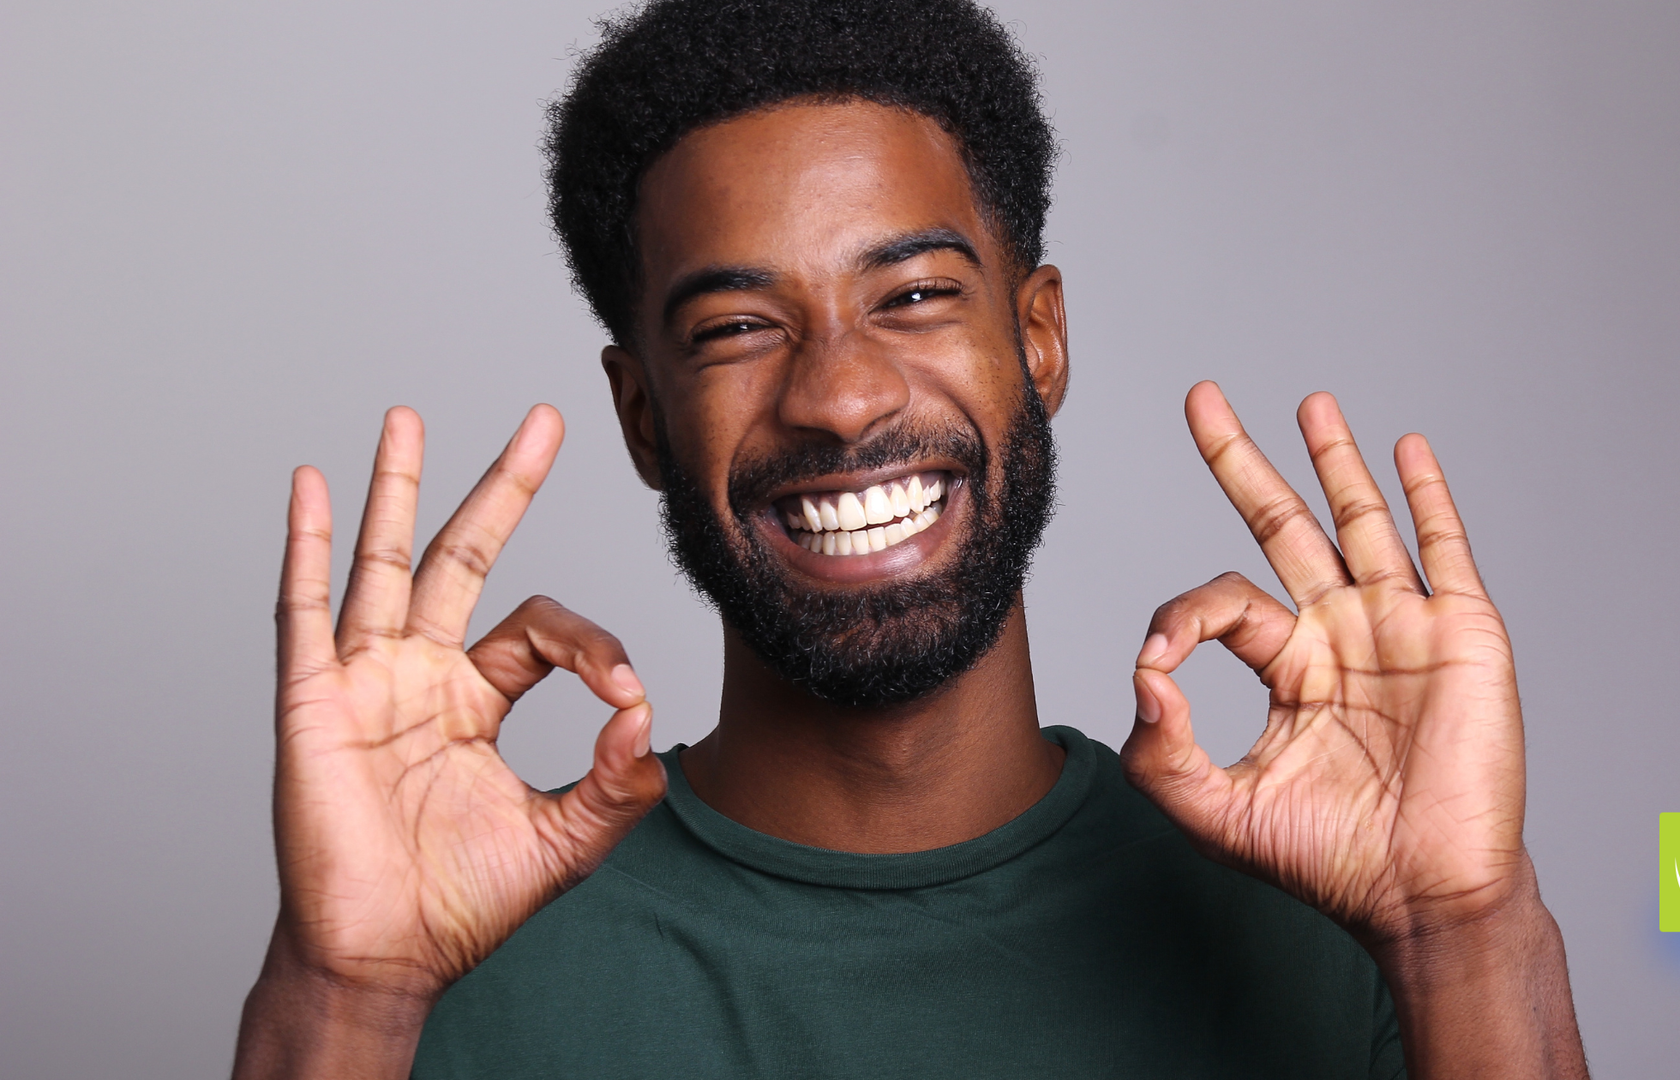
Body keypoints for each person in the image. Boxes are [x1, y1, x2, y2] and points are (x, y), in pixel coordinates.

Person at [232, 1, 1588, 1076]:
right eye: (738, 328)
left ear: (1037, 336)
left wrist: (1461, 936)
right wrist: (344, 994)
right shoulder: (445, 974)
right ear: (642, 414)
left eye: (915, 295)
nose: (839, 395)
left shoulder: (1347, 933)